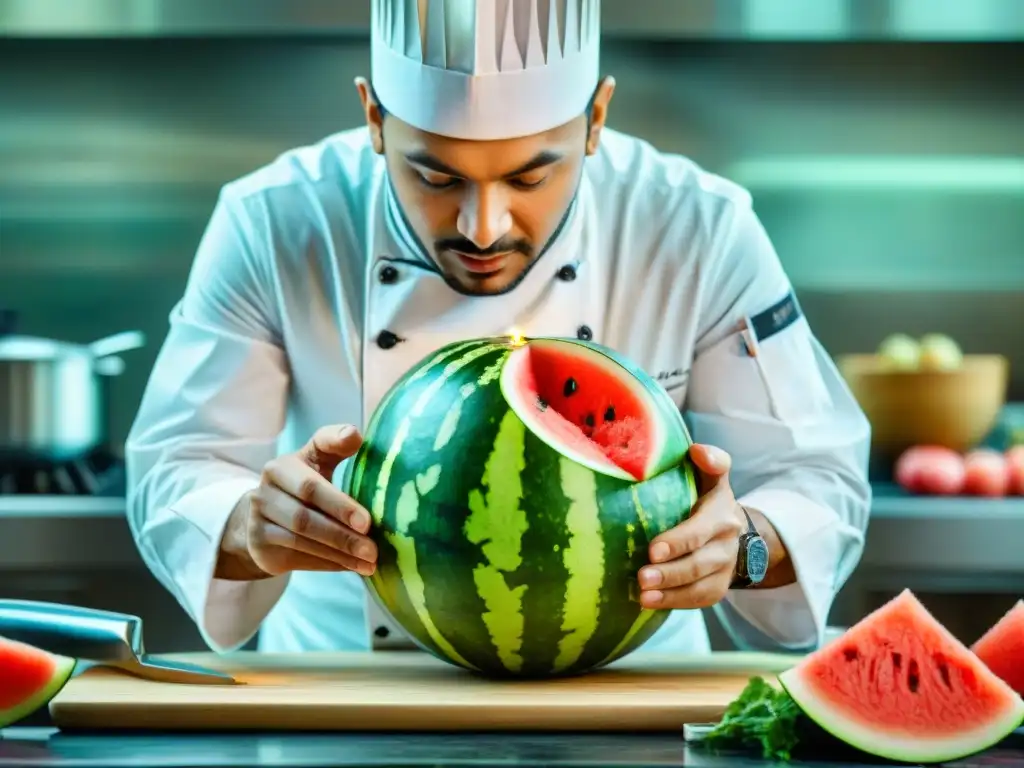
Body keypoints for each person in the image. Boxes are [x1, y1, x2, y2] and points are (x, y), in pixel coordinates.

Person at [125, 0, 871, 657]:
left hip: (633, 691)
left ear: (596, 120)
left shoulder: (697, 226)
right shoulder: (276, 221)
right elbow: (177, 464)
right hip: (341, 686)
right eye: (437, 177)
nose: (483, 227)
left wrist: (740, 549)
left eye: (529, 177)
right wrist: (250, 525)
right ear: (374, 119)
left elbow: (818, 477)